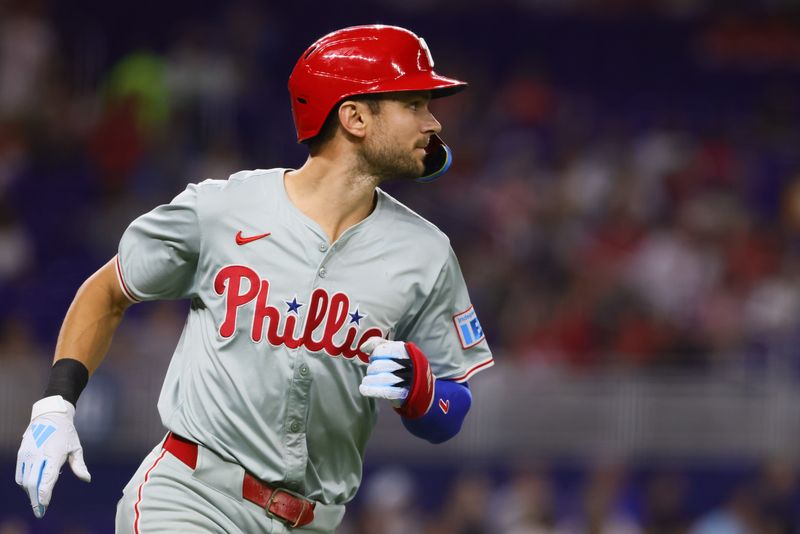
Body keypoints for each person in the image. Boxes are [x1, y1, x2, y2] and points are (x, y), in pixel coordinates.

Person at [14, 24, 494, 533]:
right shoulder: (223, 209)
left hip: (313, 520)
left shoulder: (426, 252)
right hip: (191, 497)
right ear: (354, 116)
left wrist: (421, 392)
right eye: (415, 104)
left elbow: (453, 404)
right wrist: (56, 404)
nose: (433, 120)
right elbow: (109, 290)